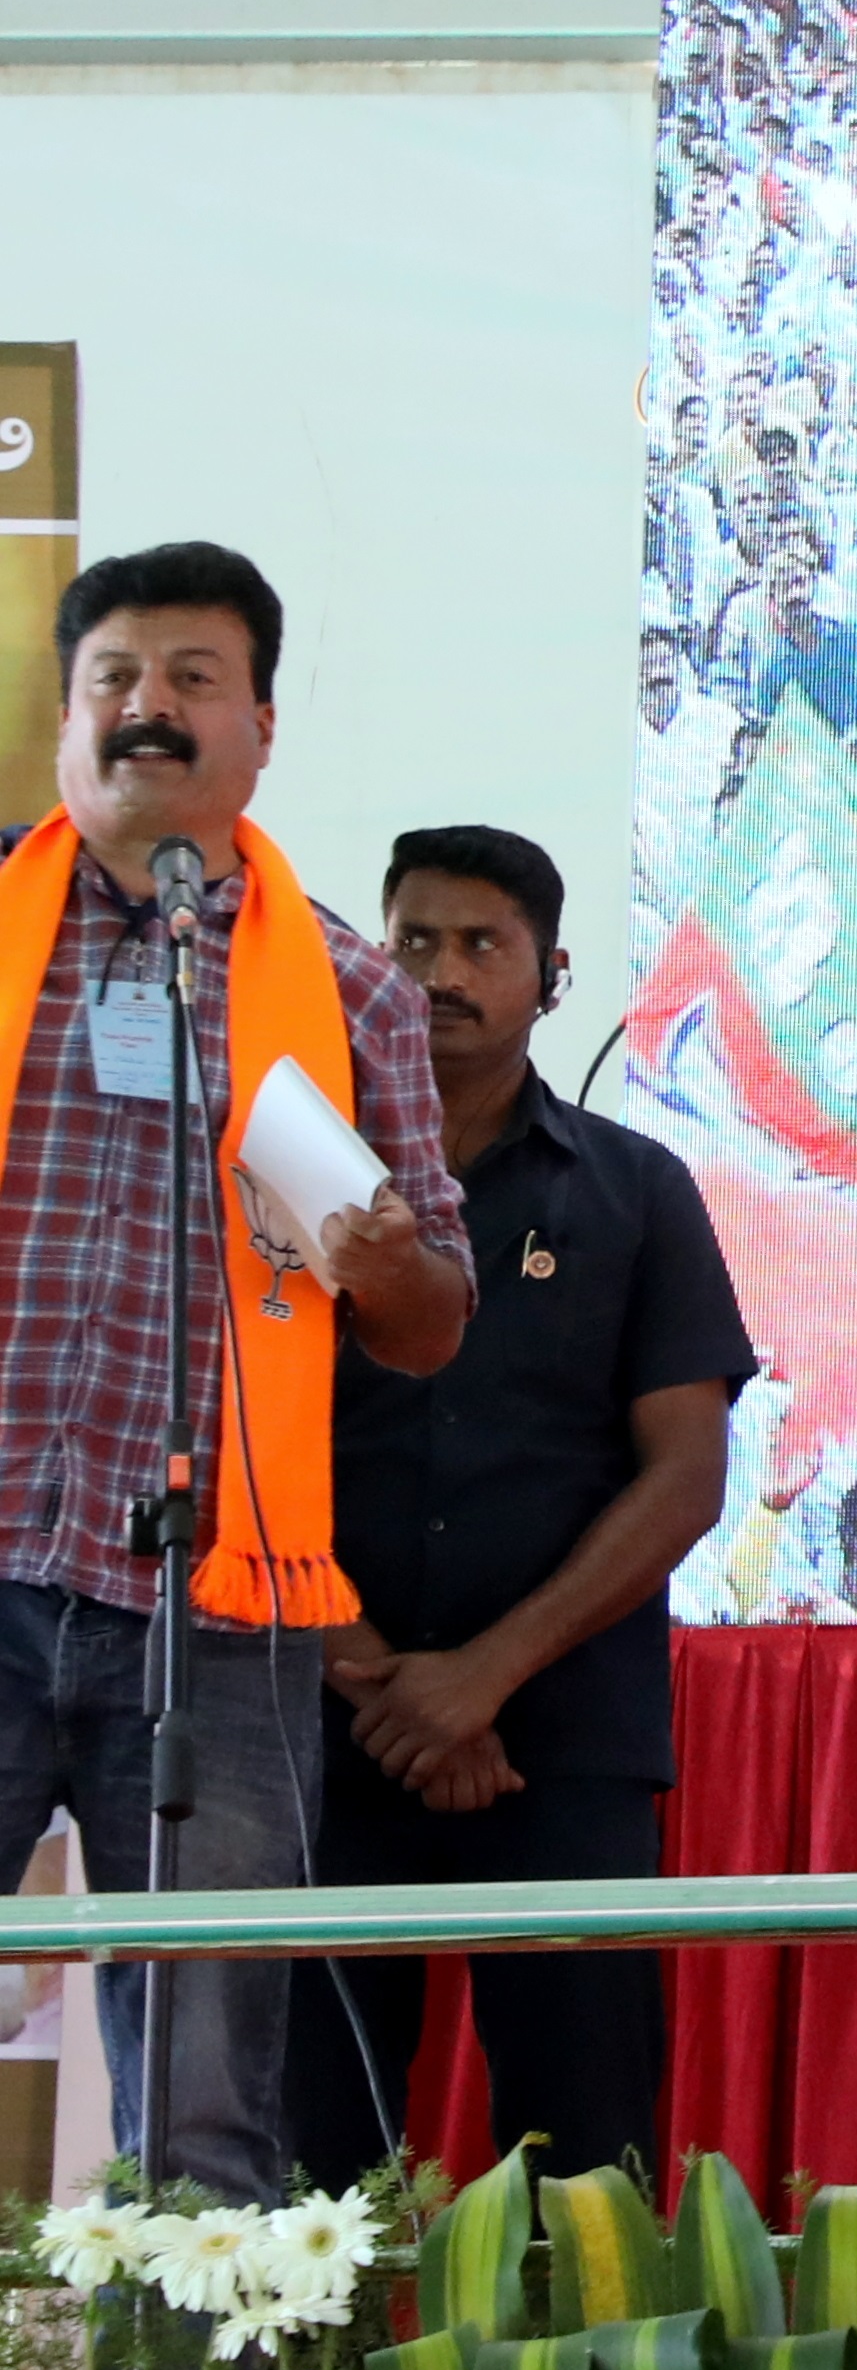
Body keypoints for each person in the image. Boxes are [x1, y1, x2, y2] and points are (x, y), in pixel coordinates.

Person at [0, 544, 472, 2191]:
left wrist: (386, 1259)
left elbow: (431, 1323)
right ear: (66, 724)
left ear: (261, 728)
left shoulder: (342, 987)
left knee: (210, 2113)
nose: (150, 709)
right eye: (116, 678)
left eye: (193, 678)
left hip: (214, 1609)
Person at [286, 825, 750, 2186]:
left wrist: (482, 1679)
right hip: (323, 1734)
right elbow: (234, 1446)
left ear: (550, 976)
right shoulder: (287, 1178)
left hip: (560, 1747)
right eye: (411, 940)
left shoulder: (635, 1190)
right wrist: (382, 1684)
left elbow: (687, 1473)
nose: (438, 973)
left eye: (479, 944)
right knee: (311, 2168)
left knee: (587, 2164)